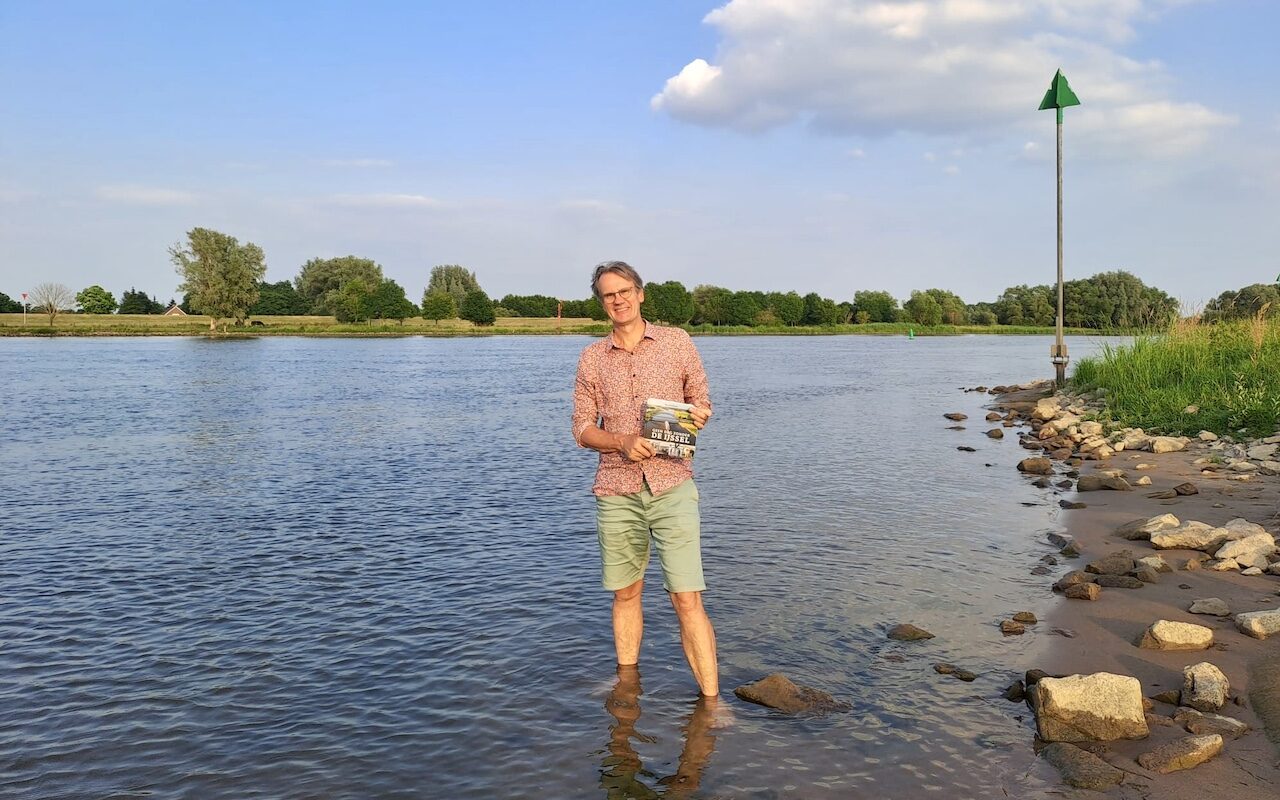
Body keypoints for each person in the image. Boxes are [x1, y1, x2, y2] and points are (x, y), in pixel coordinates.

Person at [571, 260, 718, 697]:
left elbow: (701, 401)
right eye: (608, 295)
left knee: (687, 597)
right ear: (602, 302)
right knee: (625, 595)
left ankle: (712, 702)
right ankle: (627, 688)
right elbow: (581, 429)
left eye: (623, 291)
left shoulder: (678, 342)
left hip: (673, 485)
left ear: (640, 294)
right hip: (616, 488)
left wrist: (701, 415)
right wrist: (619, 441)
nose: (617, 300)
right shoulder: (592, 357)